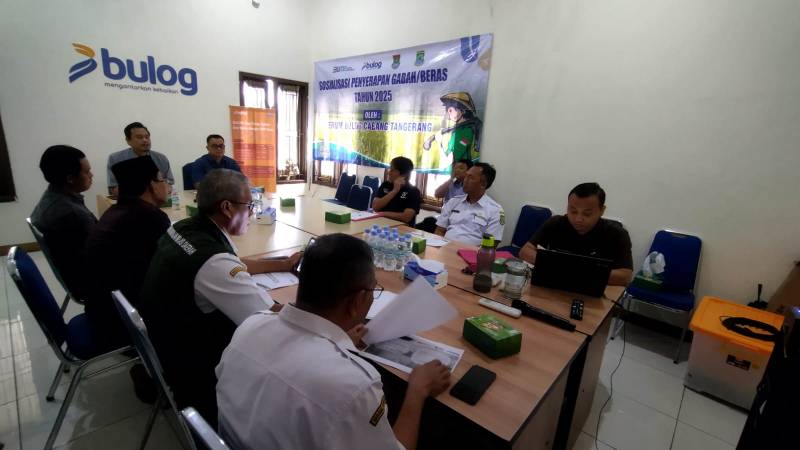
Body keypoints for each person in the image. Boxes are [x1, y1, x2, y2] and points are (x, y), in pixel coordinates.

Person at [216, 233, 451, 450]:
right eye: (373, 290)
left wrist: (338, 340)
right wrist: (417, 391)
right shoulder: (354, 386)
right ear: (357, 301)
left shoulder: (251, 326)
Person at [139, 169, 301, 425]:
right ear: (227, 208)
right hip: (192, 361)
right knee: (292, 347)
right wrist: (325, 316)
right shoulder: (213, 262)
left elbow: (232, 263)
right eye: (249, 206)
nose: (252, 213)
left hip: (164, 336)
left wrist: (281, 264)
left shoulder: (185, 227)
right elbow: (270, 317)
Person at [84, 155, 171, 346]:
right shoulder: (149, 217)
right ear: (151, 185)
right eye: (163, 180)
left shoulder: (116, 211)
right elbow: (172, 269)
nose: (168, 185)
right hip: (126, 323)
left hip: (104, 311)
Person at [519, 182, 633, 286]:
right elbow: (525, 251)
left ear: (602, 210)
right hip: (554, 284)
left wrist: (579, 272)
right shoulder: (556, 224)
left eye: (587, 214)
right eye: (573, 211)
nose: (578, 219)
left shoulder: (617, 234)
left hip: (592, 288)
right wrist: (556, 265)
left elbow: (625, 276)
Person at [30, 145, 97, 300]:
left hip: (75, 274)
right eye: (87, 172)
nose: (91, 175)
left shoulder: (53, 196)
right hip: (91, 283)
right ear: (70, 178)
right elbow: (103, 253)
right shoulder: (70, 213)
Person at [435, 162, 505, 246]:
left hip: (472, 253)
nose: (465, 180)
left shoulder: (495, 210)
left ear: (483, 184)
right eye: (466, 176)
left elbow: (491, 245)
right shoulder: (453, 202)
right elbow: (440, 230)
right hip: (445, 248)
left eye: (470, 177)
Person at [107, 122, 173, 196]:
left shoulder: (161, 158)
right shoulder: (115, 159)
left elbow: (169, 184)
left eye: (147, 137)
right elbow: (114, 189)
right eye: (139, 137)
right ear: (128, 141)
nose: (145, 140)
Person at [422, 91, 483, 168]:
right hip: (454, 171)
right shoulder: (457, 131)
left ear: (462, 110)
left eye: (450, 110)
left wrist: (439, 143)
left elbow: (450, 160)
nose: (448, 114)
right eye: (448, 111)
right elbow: (449, 153)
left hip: (460, 170)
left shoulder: (467, 132)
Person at [372, 156, 422, 226]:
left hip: (401, 228)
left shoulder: (414, 191)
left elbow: (407, 217)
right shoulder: (385, 185)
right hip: (381, 223)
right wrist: (394, 191)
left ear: (404, 175)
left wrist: (383, 214)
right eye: (390, 169)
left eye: (392, 170)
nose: (389, 172)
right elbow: (375, 207)